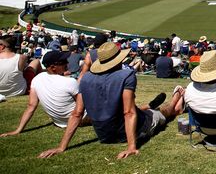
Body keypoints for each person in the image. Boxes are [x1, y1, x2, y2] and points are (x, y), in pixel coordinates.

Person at [45, 42, 185, 158]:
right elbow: (129, 112)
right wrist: (131, 146)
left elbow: (77, 113)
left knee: (145, 110)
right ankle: (174, 105)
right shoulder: (126, 75)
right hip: (130, 131)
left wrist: (61, 147)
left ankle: (157, 106)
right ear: (118, 59)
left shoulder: (85, 78)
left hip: (105, 135)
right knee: (160, 113)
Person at [0, 51, 89, 140]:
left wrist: (18, 130)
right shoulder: (70, 82)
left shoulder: (37, 79)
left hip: (60, 122)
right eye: (63, 62)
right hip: (80, 119)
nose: (67, 63)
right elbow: (83, 106)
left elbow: (31, 106)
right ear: (53, 67)